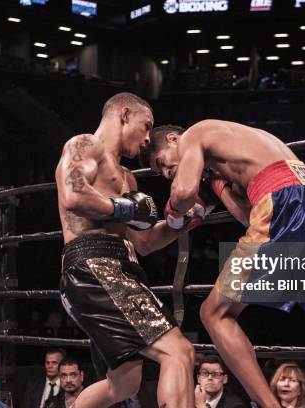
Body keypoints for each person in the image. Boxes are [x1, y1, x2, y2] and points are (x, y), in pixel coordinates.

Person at [139, 121, 305, 408]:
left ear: (172, 138)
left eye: (162, 163)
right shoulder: (238, 145)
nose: (166, 173)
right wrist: (219, 186)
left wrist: (175, 214)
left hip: (283, 201)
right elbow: (251, 219)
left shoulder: (195, 133)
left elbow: (182, 192)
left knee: (214, 313)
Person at [55, 93, 199, 408]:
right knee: (179, 352)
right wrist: (122, 208)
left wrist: (181, 224)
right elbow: (72, 194)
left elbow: (144, 243)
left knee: (124, 383)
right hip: (94, 265)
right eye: (145, 126)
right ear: (124, 114)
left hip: (120, 266)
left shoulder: (127, 178)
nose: (148, 138)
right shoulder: (85, 145)